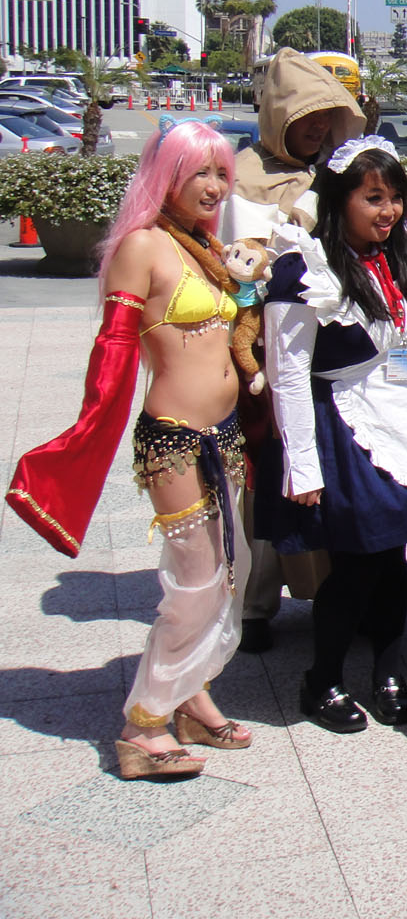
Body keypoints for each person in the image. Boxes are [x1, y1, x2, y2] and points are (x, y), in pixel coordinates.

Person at [7, 118, 254, 778]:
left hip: (224, 436)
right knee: (196, 583)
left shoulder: (202, 243)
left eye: (220, 172)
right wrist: (84, 434)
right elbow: (112, 352)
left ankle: (191, 694)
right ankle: (141, 727)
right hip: (173, 441)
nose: (213, 186)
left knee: (232, 575)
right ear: (165, 176)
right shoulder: (142, 247)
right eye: (198, 172)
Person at [257, 135, 407, 733]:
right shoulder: (302, 269)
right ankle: (321, 679)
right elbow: (289, 375)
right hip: (348, 423)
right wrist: (301, 464)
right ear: (339, 198)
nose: (389, 211)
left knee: (394, 550)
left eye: (396, 198)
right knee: (359, 563)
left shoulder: (406, 251)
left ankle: (386, 670)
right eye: (373, 197)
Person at [221, 48, 365, 654]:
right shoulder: (242, 176)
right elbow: (241, 261)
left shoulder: (333, 171)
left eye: (326, 117)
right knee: (267, 469)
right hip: (260, 338)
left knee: (328, 464)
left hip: (330, 336)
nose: (316, 128)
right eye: (307, 116)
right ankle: (256, 604)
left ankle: (334, 596)